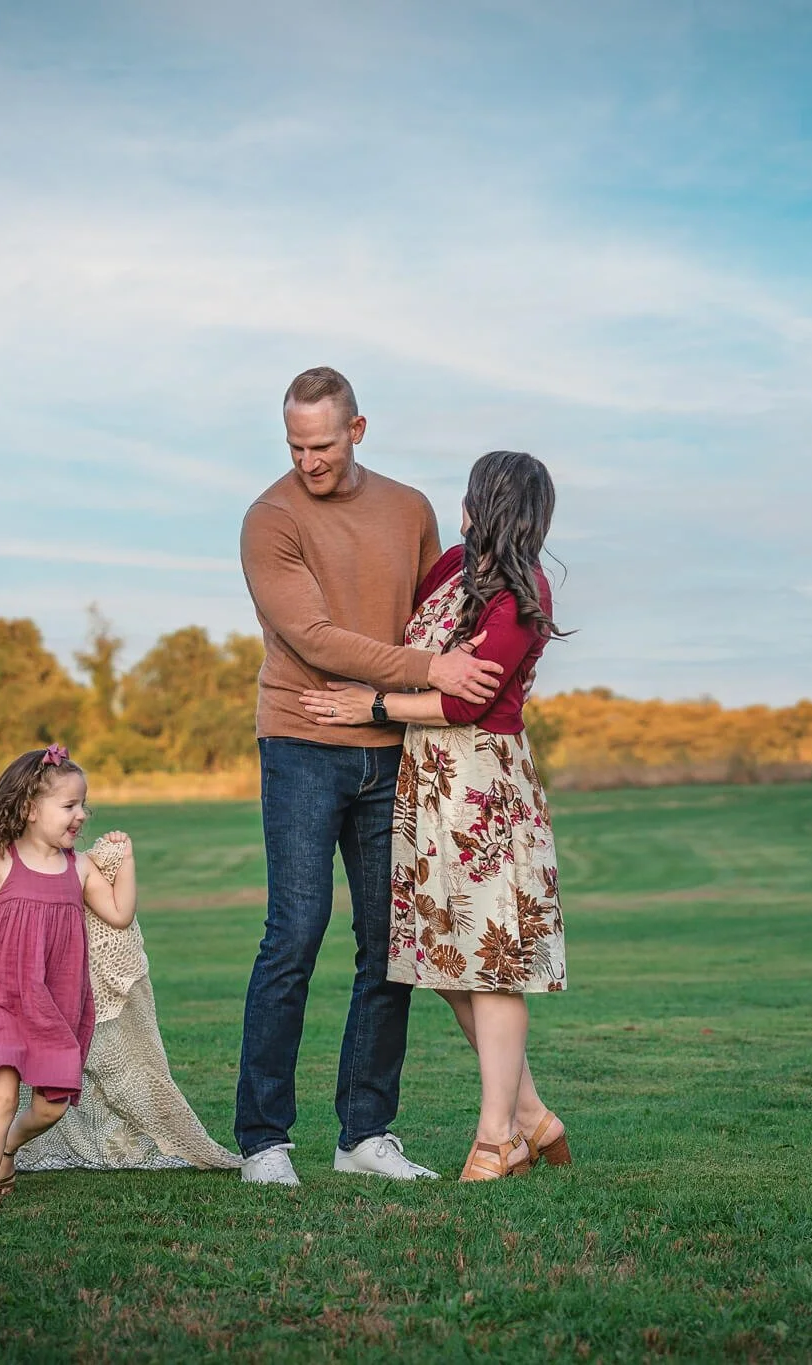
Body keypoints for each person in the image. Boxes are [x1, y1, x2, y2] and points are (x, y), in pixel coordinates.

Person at [234, 366, 505, 1186]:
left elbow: (443, 608)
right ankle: (264, 1141)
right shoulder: (269, 519)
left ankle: (364, 1135)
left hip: (391, 745)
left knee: (390, 946)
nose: (308, 460)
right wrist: (434, 670)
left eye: (321, 444)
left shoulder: (409, 508)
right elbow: (314, 637)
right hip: (302, 739)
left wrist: (429, 684)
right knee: (296, 932)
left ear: (357, 430)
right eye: (294, 445)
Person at [300, 449, 570, 1181]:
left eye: (474, 495)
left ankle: (498, 1140)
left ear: (490, 504)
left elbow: (465, 699)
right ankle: (533, 1115)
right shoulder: (455, 565)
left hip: (483, 786)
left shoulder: (521, 591)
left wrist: (373, 704)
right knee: (446, 963)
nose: (465, 506)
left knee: (492, 967)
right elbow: (414, 646)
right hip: (429, 782)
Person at [0, 744, 138, 1211]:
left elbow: (120, 914)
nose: (81, 815)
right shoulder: (0, 862)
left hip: (54, 1004)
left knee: (52, 1105)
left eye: (83, 804)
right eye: (69, 806)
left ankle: (8, 1148)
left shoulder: (80, 867)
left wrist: (125, 863)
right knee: (1, 1094)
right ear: (29, 809)